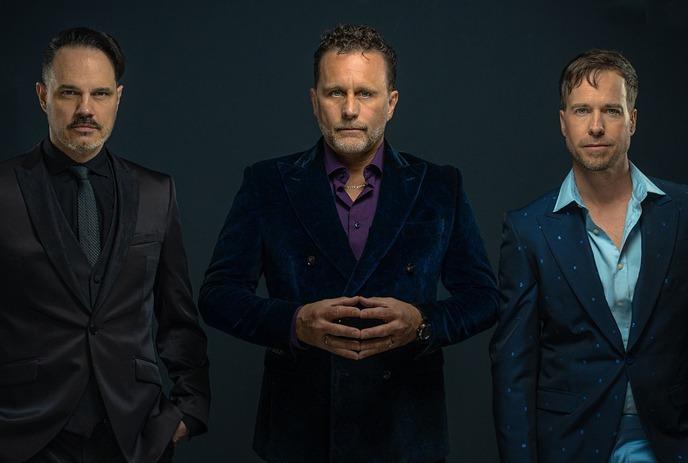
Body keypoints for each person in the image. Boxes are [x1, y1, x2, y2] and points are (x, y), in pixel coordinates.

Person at [199, 24, 499, 463]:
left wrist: (422, 323)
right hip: (299, 435)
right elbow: (217, 295)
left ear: (391, 103)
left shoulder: (439, 186)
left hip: (406, 433)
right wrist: (294, 323)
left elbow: (484, 298)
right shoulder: (267, 183)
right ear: (314, 101)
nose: (350, 109)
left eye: (366, 94)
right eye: (336, 93)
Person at [0, 27, 210, 463]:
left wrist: (189, 408)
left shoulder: (157, 192)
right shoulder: (2, 191)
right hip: (24, 433)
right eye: (69, 94)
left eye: (99, 94)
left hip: (135, 435)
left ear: (118, 97)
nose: (85, 110)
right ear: (43, 96)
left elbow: (178, 315)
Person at [491, 49, 688, 462]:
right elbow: (514, 368)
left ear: (632, 120)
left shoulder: (682, 213)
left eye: (611, 111)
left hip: (669, 438)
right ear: (564, 123)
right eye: (582, 110)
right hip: (570, 441)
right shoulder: (529, 229)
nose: (596, 127)